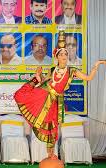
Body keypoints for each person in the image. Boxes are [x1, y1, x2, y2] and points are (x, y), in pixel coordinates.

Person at [14, 31, 106, 159]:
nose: (64, 56)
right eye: (61, 54)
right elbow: (42, 81)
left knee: (52, 128)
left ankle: (51, 156)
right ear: (57, 57)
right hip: (43, 94)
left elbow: (89, 78)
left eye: (66, 54)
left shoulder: (72, 71)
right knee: (20, 96)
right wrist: (37, 75)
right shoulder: (52, 70)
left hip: (54, 102)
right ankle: (49, 156)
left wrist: (96, 66)